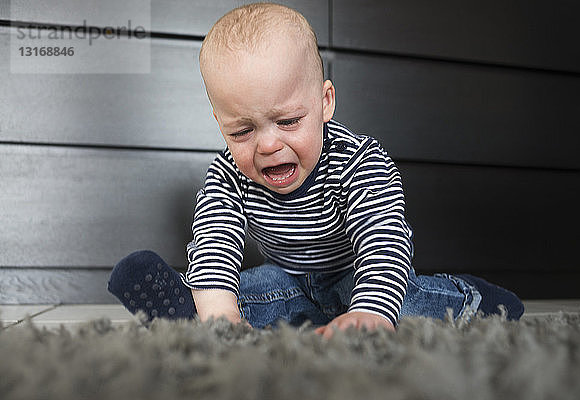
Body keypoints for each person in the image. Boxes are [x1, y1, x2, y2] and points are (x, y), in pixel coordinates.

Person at [108, 3, 523, 338]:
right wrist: (219, 317)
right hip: (290, 282)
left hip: (357, 276)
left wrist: (370, 313)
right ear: (220, 123)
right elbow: (214, 243)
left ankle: (470, 298)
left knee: (409, 304)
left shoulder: (358, 161)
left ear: (325, 102)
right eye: (243, 130)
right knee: (246, 292)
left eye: (288, 122)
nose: (268, 145)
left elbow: (383, 240)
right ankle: (193, 318)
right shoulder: (227, 174)